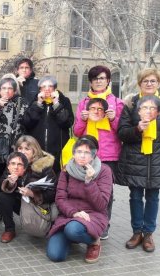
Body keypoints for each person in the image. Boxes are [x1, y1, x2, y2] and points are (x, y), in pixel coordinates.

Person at [74, 65, 124, 239]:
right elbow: (77, 132)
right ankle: (89, 220)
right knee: (85, 188)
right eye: (95, 79)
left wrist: (113, 119)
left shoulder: (117, 103)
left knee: (106, 192)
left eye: (102, 78)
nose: (98, 81)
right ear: (91, 82)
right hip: (88, 153)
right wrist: (82, 119)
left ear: (108, 80)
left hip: (109, 154)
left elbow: (122, 131)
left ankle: (104, 224)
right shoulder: (83, 103)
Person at [47, 135, 112, 263]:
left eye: (87, 152)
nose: (82, 156)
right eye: (79, 151)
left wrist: (89, 181)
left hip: (93, 215)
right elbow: (60, 199)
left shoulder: (104, 171)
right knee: (55, 255)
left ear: (93, 155)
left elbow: (101, 205)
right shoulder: (66, 170)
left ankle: (94, 240)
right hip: (69, 215)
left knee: (73, 229)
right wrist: (74, 213)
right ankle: (73, 236)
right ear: (74, 153)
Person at [117, 68, 160, 253]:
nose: (149, 84)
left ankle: (148, 233)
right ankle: (137, 232)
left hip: (156, 158)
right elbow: (121, 132)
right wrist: (137, 129)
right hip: (135, 159)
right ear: (139, 83)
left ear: (158, 83)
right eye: (145, 81)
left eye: (152, 81)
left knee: (153, 197)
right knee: (135, 197)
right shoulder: (130, 104)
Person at [0, 73, 28, 223]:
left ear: (14, 91)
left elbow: (27, 122)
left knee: (15, 180)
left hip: (15, 150)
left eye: (10, 88)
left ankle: (14, 209)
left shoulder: (21, 102)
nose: (7, 91)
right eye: (4, 88)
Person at [0, 136, 56, 243]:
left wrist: (33, 194)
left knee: (39, 228)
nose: (23, 152)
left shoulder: (43, 165)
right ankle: (9, 229)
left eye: (27, 149)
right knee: (3, 196)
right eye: (20, 148)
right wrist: (10, 183)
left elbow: (52, 194)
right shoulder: (14, 162)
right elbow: (0, 183)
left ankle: (46, 225)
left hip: (38, 204)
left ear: (35, 150)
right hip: (20, 201)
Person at [21, 76, 74, 174]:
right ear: (40, 89)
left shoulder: (64, 101)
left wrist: (56, 104)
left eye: (50, 86)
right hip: (38, 149)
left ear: (55, 88)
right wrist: (39, 104)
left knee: (57, 178)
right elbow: (27, 123)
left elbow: (67, 122)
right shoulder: (34, 101)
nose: (47, 89)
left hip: (58, 150)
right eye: (43, 86)